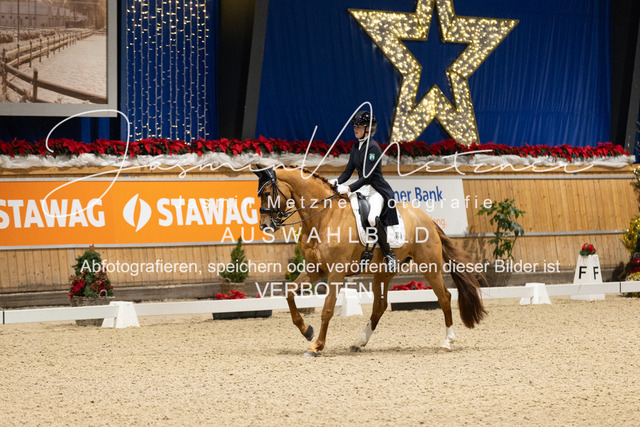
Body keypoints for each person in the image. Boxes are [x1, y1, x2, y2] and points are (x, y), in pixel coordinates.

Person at [330, 110, 399, 271]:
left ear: (368, 128)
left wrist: (348, 188)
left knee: (372, 218)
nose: (355, 129)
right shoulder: (356, 146)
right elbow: (348, 171)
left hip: (376, 190)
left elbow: (367, 177)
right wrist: (337, 181)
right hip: (362, 189)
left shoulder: (374, 148)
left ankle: (389, 254)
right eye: (355, 126)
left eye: (359, 126)